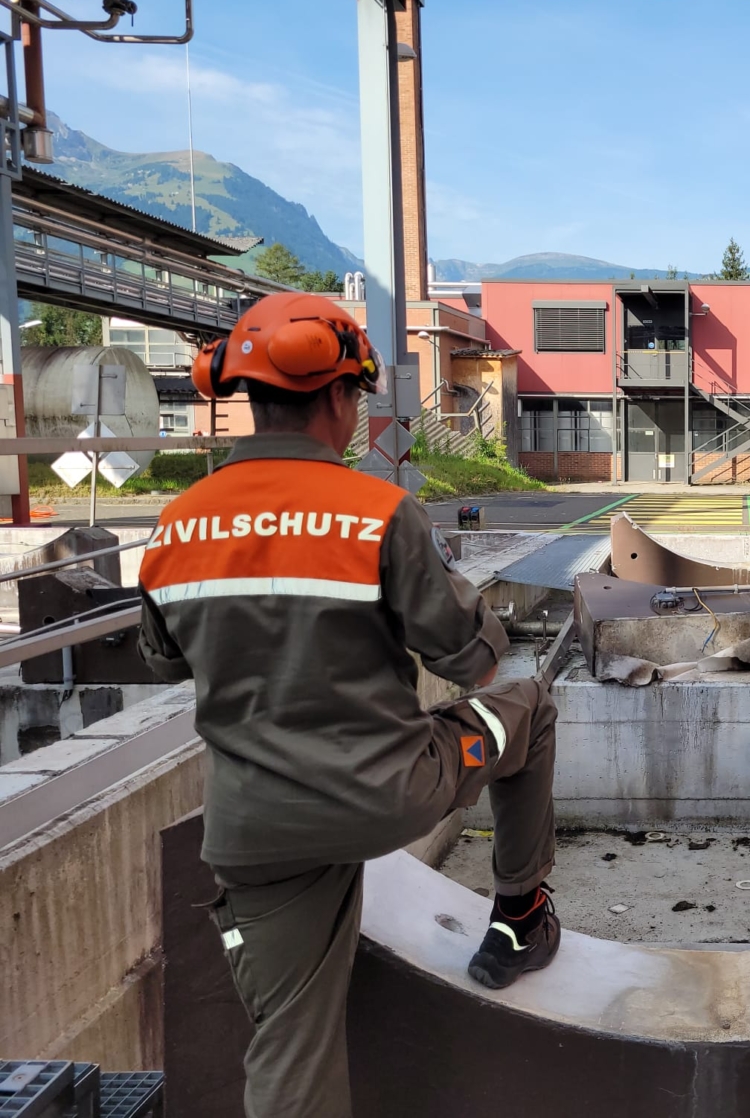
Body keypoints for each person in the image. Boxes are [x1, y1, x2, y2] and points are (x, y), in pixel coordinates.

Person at [136, 293, 561, 1118]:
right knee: (528, 706)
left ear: (242, 394)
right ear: (337, 395)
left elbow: (164, 661)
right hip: (386, 791)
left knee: (289, 1049)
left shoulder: (177, 524)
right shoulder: (379, 514)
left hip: (255, 828)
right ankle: (520, 916)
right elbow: (473, 661)